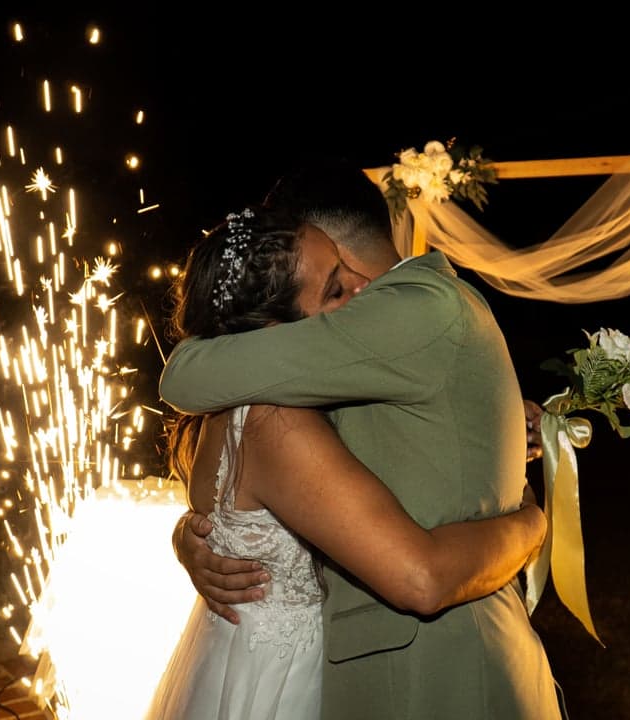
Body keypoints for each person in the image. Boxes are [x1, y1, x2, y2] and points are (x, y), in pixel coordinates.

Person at [162, 164, 563, 720]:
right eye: (332, 288)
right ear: (274, 321)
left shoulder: (404, 314)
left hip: (430, 668)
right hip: (306, 672)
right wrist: (531, 526)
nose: (360, 293)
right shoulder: (277, 406)